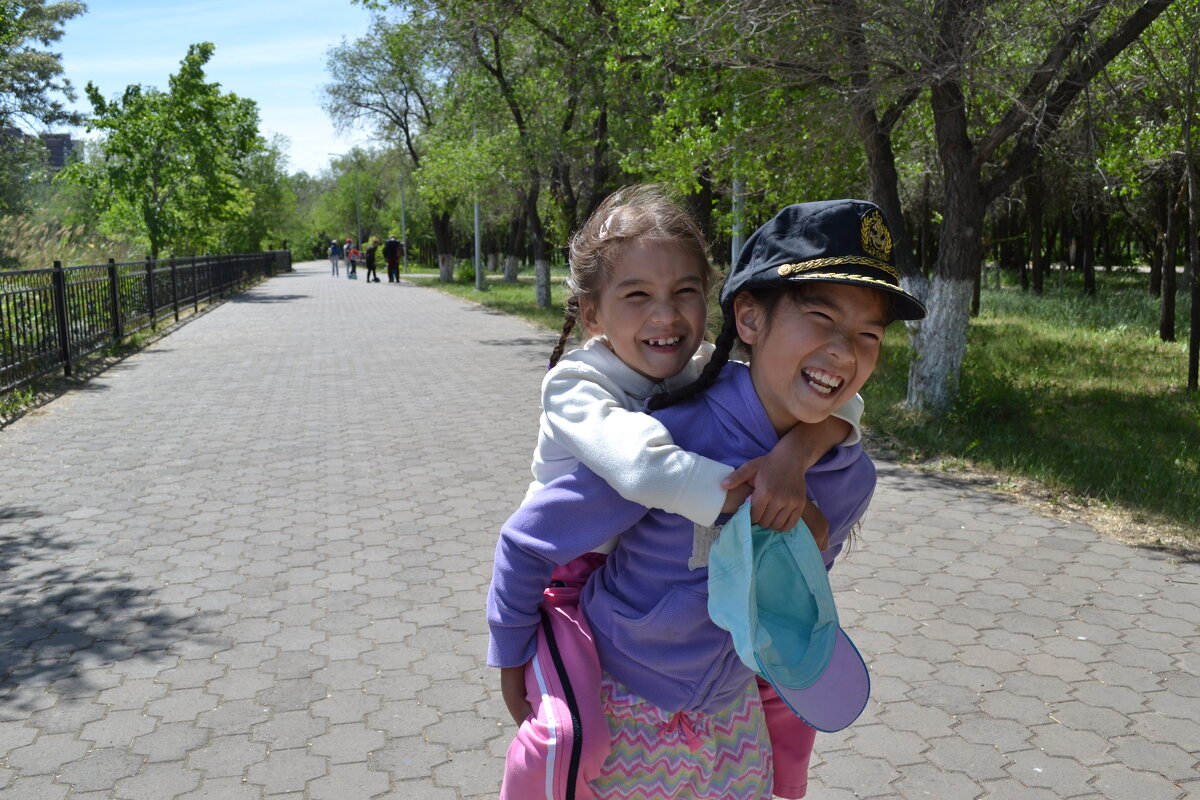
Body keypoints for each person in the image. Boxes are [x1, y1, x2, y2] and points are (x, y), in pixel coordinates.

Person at [490, 196, 925, 798]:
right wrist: (511, 656)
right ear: (748, 320)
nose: (845, 351)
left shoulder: (849, 476)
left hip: (731, 719)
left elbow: (781, 594)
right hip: (624, 710)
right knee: (562, 743)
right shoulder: (665, 429)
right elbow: (528, 537)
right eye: (821, 318)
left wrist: (795, 463)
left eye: (868, 333)